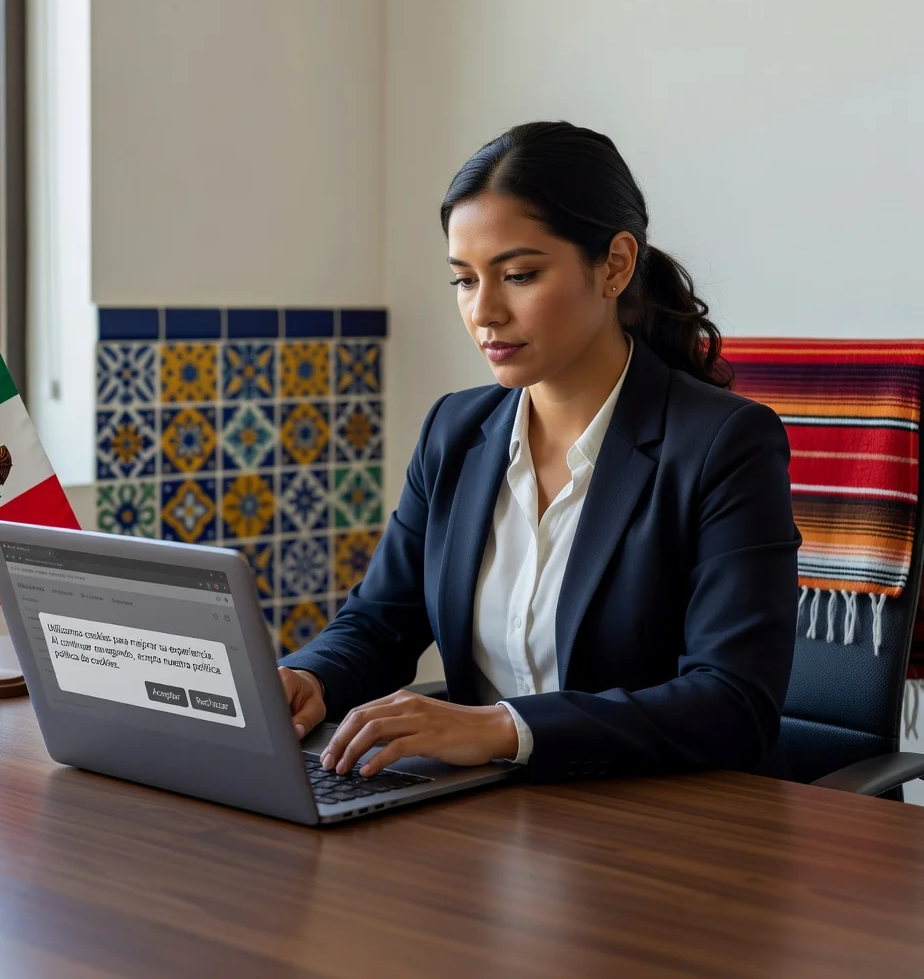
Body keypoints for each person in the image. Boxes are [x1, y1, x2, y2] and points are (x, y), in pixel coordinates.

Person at [278, 121, 800, 784]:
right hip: (490, 818)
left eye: (519, 275)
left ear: (614, 264)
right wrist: (311, 676)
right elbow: (382, 621)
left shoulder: (724, 443)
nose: (485, 311)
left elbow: (733, 704)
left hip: (670, 825)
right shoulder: (456, 430)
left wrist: (501, 727)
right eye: (464, 281)